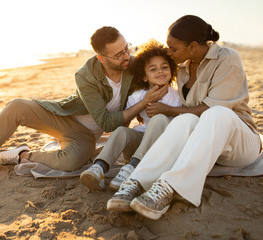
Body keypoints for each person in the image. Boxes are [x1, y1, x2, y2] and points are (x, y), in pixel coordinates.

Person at [0, 26, 168, 186]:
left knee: (71, 162)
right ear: (101, 58)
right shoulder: (85, 75)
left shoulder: (133, 65)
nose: (126, 56)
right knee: (16, 106)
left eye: (126, 48)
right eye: (118, 55)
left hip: (85, 135)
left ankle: (22, 155)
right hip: (64, 119)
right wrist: (144, 104)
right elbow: (106, 122)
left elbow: (162, 61)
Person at [107, 15, 262, 220]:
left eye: (173, 49)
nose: (169, 53)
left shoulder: (227, 58)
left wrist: (168, 110)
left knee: (216, 113)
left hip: (239, 142)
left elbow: (210, 108)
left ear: (193, 46)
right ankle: (137, 182)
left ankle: (170, 187)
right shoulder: (183, 68)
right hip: (207, 144)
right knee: (183, 120)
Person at [79, 39, 181, 191]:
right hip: (139, 146)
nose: (160, 71)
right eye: (153, 69)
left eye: (164, 67)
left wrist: (165, 110)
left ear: (171, 71)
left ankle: (132, 168)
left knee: (160, 119)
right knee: (121, 131)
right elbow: (124, 124)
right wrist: (121, 139)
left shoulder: (177, 97)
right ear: (145, 76)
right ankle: (99, 168)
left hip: (162, 148)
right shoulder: (138, 96)